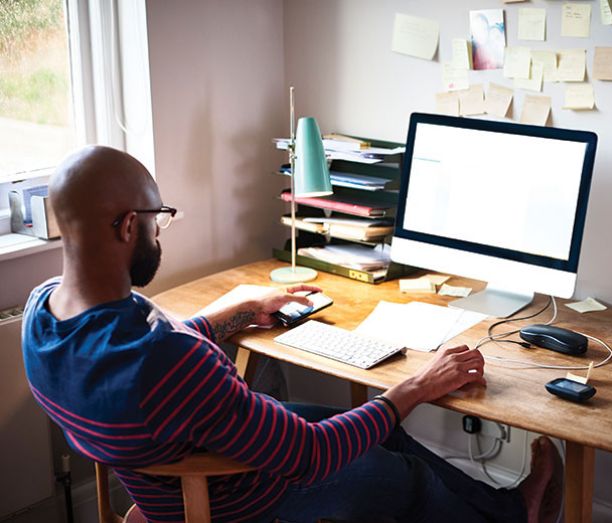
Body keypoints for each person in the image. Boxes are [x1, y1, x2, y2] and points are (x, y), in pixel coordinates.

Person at [22, 145, 562, 523]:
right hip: (231, 495)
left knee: (382, 431)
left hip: (166, 472)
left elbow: (153, 360)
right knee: (402, 475)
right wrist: (417, 386)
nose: (157, 231)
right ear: (125, 227)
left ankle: (512, 513)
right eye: (155, 218)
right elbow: (310, 456)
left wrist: (234, 313)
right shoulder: (168, 362)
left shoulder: (42, 314)